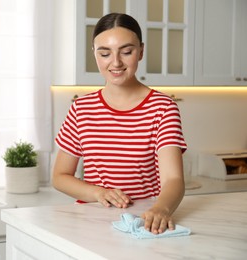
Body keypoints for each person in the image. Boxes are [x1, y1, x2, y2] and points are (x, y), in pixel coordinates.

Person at [52, 13, 187, 235]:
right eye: (105, 53)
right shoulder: (81, 107)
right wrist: (98, 193)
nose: (115, 62)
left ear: (141, 51)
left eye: (126, 52)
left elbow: (173, 179)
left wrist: (161, 209)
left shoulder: (162, 107)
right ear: (94, 53)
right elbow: (60, 177)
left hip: (144, 220)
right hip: (91, 221)